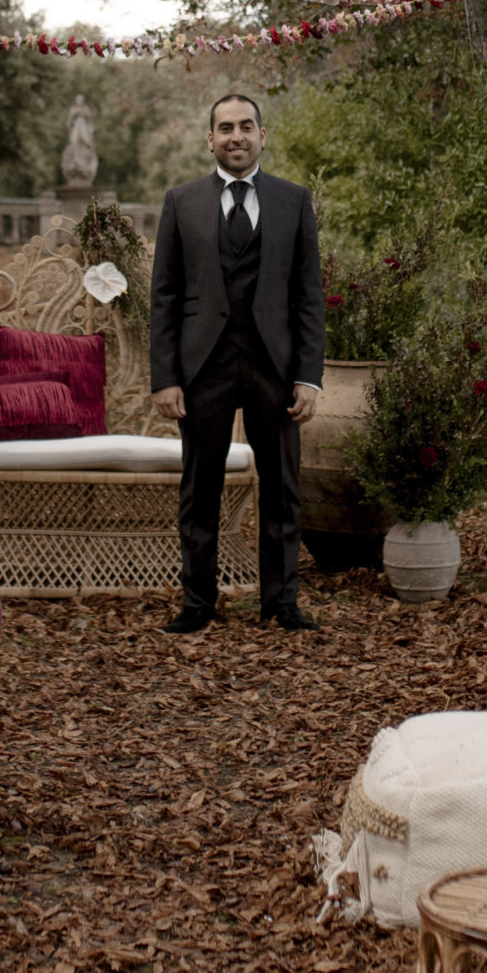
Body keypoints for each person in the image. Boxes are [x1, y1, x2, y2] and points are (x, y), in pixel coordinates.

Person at [148, 92, 325, 633]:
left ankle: (281, 602)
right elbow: (165, 297)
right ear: (210, 139)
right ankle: (198, 603)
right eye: (225, 128)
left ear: (262, 135)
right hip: (205, 367)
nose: (236, 136)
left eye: (246, 126)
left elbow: (308, 295)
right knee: (200, 489)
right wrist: (166, 377)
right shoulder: (181, 203)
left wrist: (308, 375)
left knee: (281, 487)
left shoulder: (294, 201)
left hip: (275, 365)